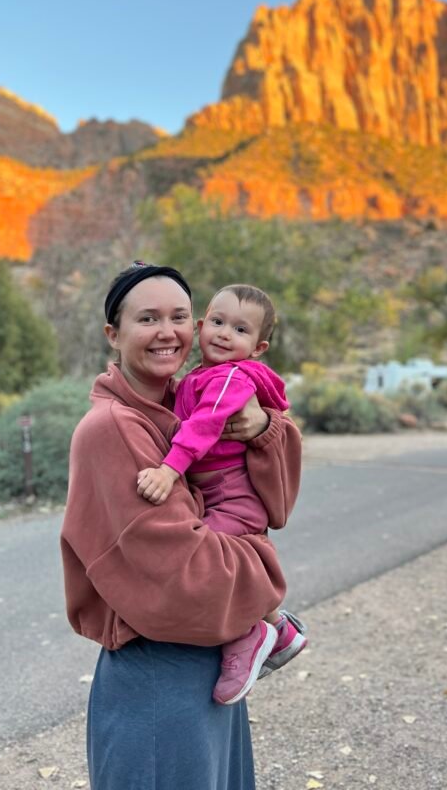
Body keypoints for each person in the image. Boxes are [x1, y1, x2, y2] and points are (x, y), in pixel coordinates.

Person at [60, 262, 302, 790]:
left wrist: (264, 427)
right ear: (114, 334)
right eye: (147, 318)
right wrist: (265, 590)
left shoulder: (193, 402)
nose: (167, 331)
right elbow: (185, 575)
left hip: (213, 658)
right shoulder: (114, 430)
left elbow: (277, 504)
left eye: (180, 316)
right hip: (159, 673)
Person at [136, 283, 307, 705]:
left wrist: (168, 470)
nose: (225, 334)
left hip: (233, 494)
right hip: (216, 491)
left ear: (259, 346)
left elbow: (202, 427)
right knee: (210, 559)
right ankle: (280, 630)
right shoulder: (198, 376)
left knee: (206, 561)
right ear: (200, 326)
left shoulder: (232, 378)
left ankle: (249, 636)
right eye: (217, 322)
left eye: (240, 329)